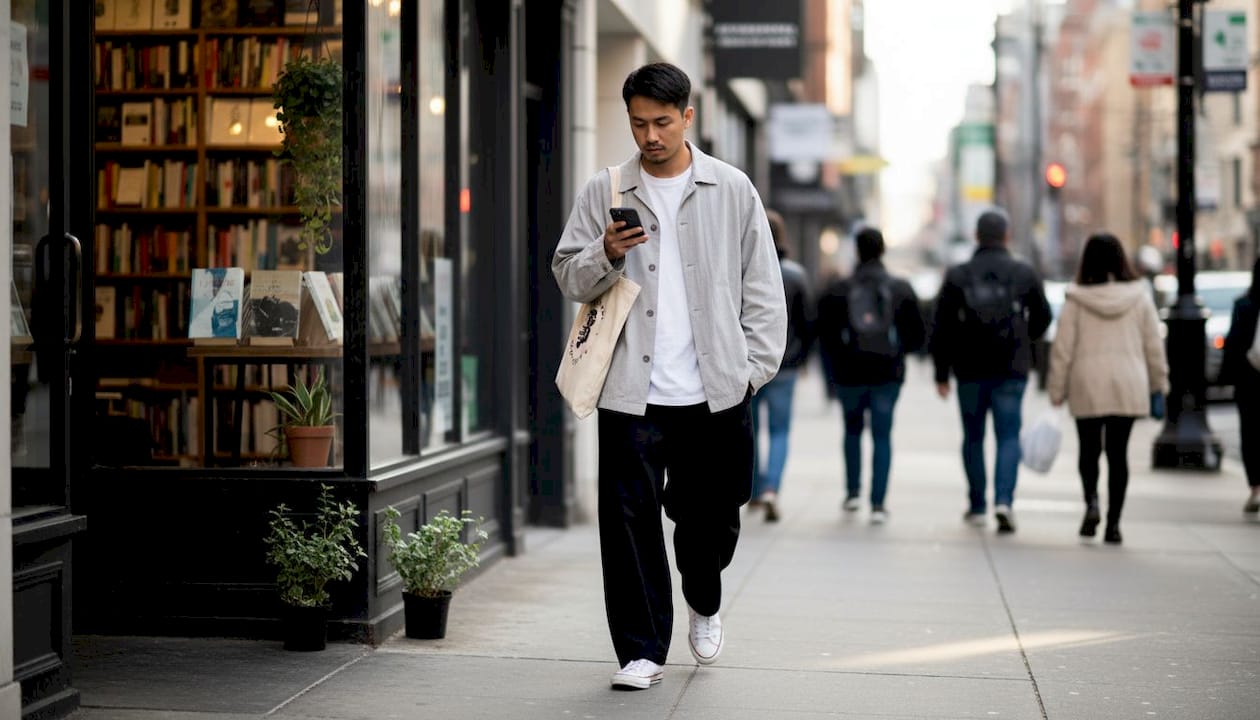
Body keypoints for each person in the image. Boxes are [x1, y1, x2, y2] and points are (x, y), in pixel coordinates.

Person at [551, 62, 787, 691]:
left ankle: (703, 597)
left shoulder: (733, 189)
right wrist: (607, 250)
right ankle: (640, 649)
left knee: (712, 518)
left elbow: (763, 290)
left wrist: (752, 372)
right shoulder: (604, 191)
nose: (649, 135)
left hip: (716, 392)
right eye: (637, 123)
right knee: (628, 524)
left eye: (661, 122)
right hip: (632, 391)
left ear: (688, 116)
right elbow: (567, 275)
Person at [931, 208, 1052, 533]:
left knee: (972, 436)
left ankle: (977, 504)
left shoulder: (958, 274)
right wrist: (1025, 341)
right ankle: (1004, 500)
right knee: (1008, 435)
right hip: (1011, 367)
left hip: (969, 368)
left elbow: (940, 326)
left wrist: (941, 373)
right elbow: (1043, 316)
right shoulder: (1023, 272)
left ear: (976, 236)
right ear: (1007, 236)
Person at [1046, 233, 1169, 544]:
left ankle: (1092, 503)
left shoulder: (1076, 299)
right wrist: (1159, 384)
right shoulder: (1139, 297)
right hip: (1128, 382)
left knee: (1089, 451)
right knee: (1118, 454)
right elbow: (1153, 346)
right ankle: (1114, 525)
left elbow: (1062, 348)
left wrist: (1056, 388)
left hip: (1087, 382)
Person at [816, 227, 925, 524]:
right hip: (887, 373)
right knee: (882, 435)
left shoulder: (839, 288)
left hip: (849, 372)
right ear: (883, 251)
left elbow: (823, 333)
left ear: (858, 251)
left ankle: (853, 493)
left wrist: (833, 369)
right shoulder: (900, 287)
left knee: (851, 431)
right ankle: (878, 503)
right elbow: (916, 335)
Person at [749, 209, 813, 523]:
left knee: (751, 429)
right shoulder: (796, 275)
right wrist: (802, 360)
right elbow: (806, 324)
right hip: (785, 365)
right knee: (779, 431)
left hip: (749, 364)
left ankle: (756, 490)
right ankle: (772, 488)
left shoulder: (744, 269)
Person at [1221, 257, 1260, 515]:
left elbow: (1233, 345)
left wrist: (1226, 378)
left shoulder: (1244, 305)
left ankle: (1256, 487)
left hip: (1250, 382)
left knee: (1251, 434)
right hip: (1248, 381)